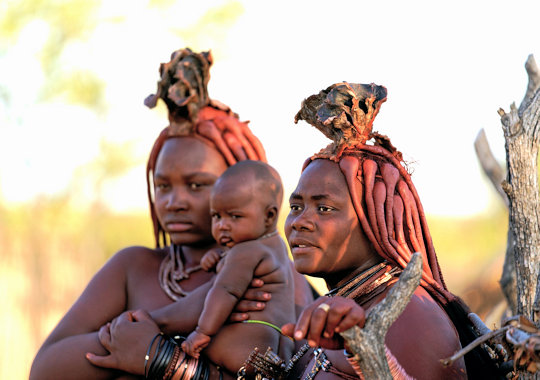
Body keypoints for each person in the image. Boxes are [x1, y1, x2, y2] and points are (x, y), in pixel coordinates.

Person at [84, 81, 503, 379]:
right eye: (297, 206)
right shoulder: (338, 308)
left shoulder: (408, 314)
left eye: (325, 207)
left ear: (376, 222)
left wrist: (163, 361)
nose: (300, 221)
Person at [29, 48, 313, 380]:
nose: (173, 201)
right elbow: (46, 369)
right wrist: (135, 340)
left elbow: (290, 370)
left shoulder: (273, 273)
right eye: (162, 186)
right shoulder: (133, 267)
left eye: (196, 185)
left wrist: (158, 353)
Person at [180, 160, 297, 375]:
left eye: (235, 216)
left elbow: (225, 290)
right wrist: (221, 256)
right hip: (280, 345)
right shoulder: (276, 244)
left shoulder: (245, 252)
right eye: (216, 216)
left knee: (178, 345)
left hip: (249, 344)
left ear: (269, 216)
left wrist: (201, 331)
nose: (223, 225)